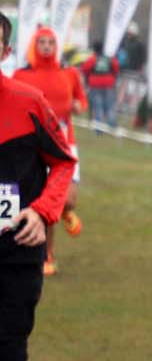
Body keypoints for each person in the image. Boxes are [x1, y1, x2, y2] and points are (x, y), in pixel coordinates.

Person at [0, 16, 75, 361]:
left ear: (6, 52)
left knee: (7, 348)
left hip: (19, 245)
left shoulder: (29, 103)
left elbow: (63, 163)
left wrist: (43, 211)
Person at [13, 27, 87, 275]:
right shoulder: (21, 75)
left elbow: (81, 101)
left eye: (51, 42)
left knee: (68, 198)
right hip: (37, 143)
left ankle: (67, 210)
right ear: (34, 45)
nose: (46, 47)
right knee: (46, 198)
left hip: (66, 139)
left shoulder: (69, 74)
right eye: (42, 42)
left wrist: (78, 106)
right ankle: (47, 254)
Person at [79, 45, 121, 128]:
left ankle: (99, 128)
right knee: (110, 106)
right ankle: (112, 125)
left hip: (95, 85)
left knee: (98, 107)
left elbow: (84, 69)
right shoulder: (109, 58)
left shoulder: (93, 59)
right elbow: (116, 68)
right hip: (109, 85)